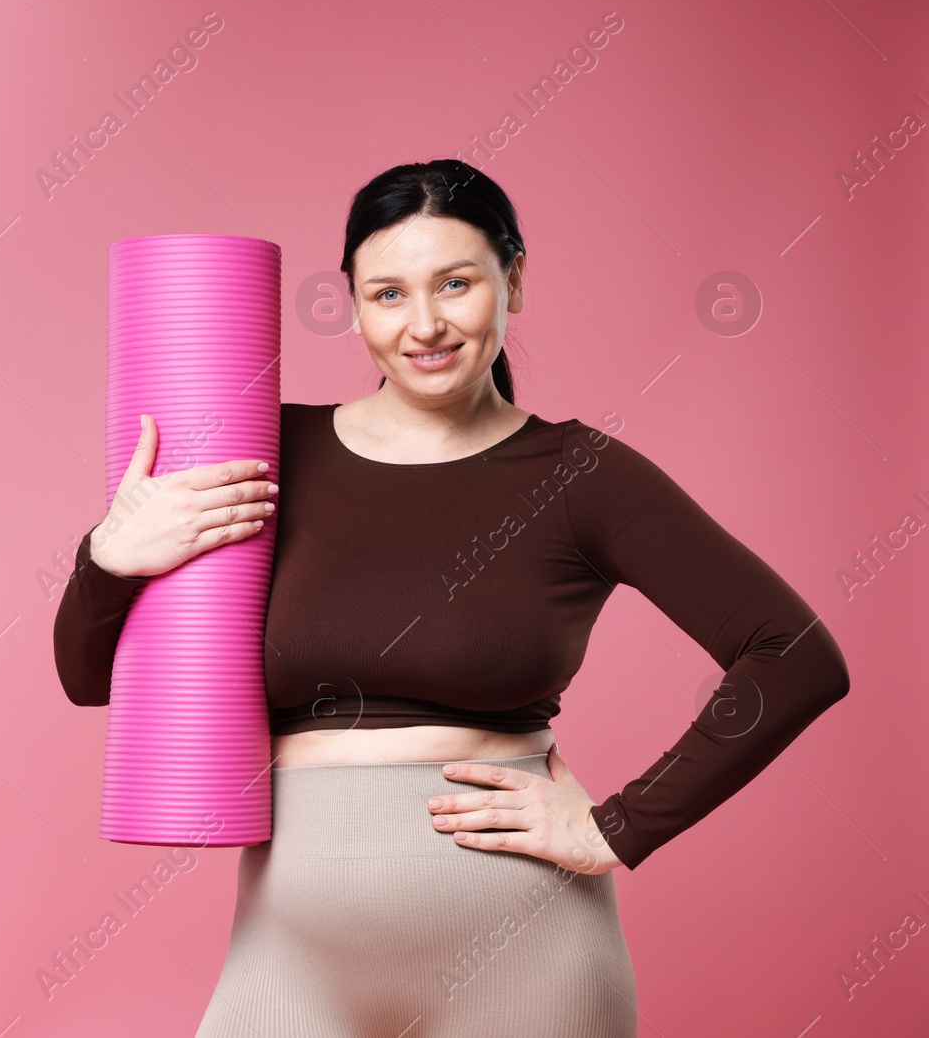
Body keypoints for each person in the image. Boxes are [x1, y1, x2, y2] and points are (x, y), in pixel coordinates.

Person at [51, 159, 850, 1037]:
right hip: (293, 948)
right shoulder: (265, 453)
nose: (424, 324)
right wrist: (110, 561)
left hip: (529, 951)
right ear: (351, 304)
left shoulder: (578, 474)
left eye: (457, 283)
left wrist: (618, 826)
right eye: (388, 294)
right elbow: (94, 683)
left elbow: (795, 653)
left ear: (514, 280)